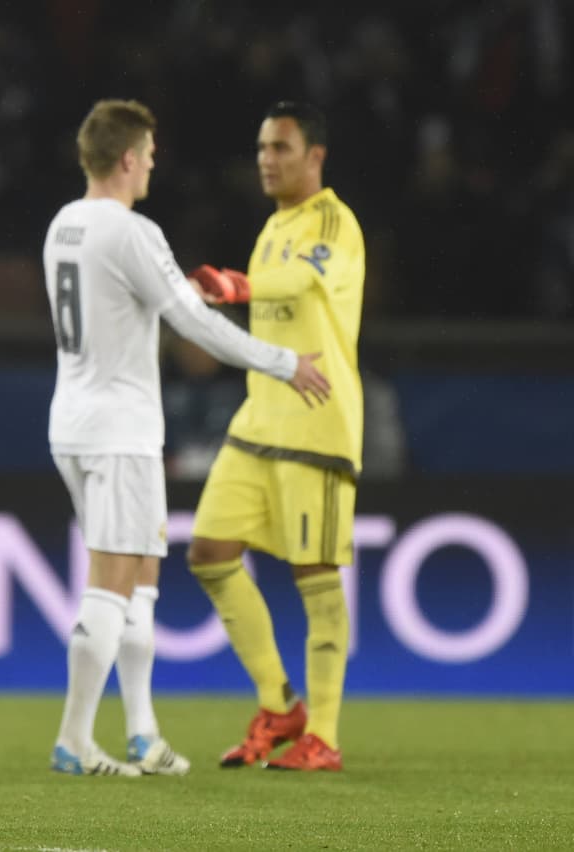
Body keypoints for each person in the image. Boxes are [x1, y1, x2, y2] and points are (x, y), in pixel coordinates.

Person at [42, 99, 331, 778]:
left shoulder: (63, 224)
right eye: (149, 154)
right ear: (129, 158)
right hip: (119, 430)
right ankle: (74, 740)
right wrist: (286, 362)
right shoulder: (131, 232)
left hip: (74, 421)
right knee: (113, 584)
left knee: (141, 576)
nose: (152, 165)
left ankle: (142, 732)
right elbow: (195, 324)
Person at [187, 101, 365, 772]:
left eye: (282, 148)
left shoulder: (335, 223)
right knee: (209, 552)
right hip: (259, 419)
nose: (267, 158)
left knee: (314, 574)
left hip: (317, 421)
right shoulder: (270, 229)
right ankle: (278, 702)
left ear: (314, 156)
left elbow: (301, 279)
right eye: (262, 147)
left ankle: (322, 733)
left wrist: (236, 283)